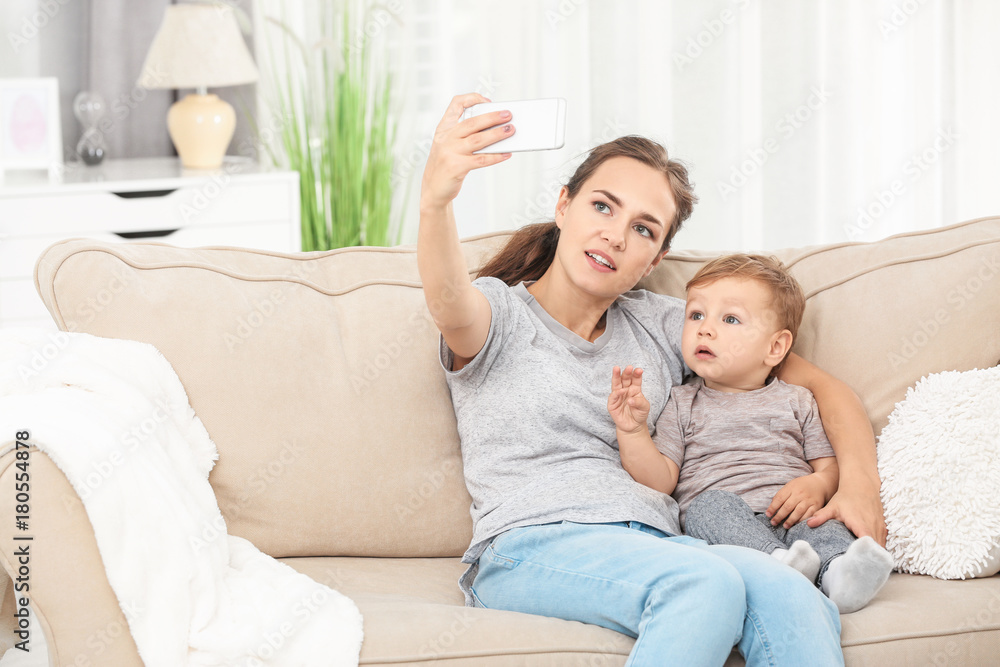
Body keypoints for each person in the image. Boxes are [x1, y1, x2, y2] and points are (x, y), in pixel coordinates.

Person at [418, 92, 885, 667]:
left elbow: (821, 389)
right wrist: (436, 201)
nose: (616, 235)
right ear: (564, 206)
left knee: (792, 592)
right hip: (528, 544)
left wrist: (857, 485)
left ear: (657, 255)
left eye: (643, 228)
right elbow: (448, 303)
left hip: (658, 541)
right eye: (603, 207)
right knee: (703, 584)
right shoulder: (498, 313)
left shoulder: (672, 325)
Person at [608, 254, 894, 614]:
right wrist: (632, 431)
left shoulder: (798, 400)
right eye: (696, 315)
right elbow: (660, 481)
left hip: (793, 514)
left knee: (825, 523)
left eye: (729, 319)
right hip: (727, 517)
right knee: (706, 509)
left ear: (775, 347)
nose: (705, 328)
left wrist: (819, 485)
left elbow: (829, 465)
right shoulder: (681, 401)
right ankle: (776, 563)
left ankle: (839, 574)